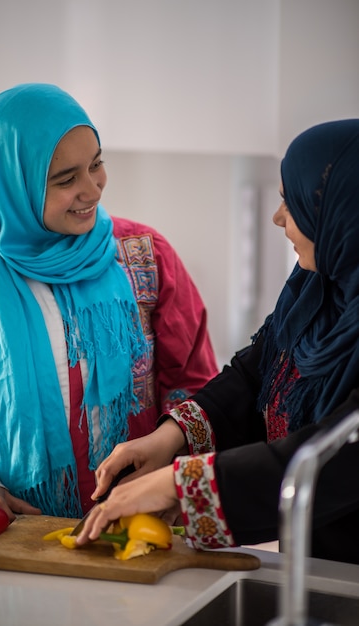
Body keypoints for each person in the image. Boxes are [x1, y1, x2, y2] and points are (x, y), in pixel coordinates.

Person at [77, 119, 359, 565]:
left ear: (345, 213)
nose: (278, 218)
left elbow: (329, 464)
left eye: (295, 203)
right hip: (315, 565)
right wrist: (171, 437)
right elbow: (257, 372)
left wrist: (177, 484)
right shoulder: (319, 285)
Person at [0, 83, 218, 520]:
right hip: (14, 527)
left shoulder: (146, 253)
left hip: (141, 518)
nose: (93, 189)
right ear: (11, 185)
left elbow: (194, 381)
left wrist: (167, 460)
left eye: (97, 165)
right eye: (66, 179)